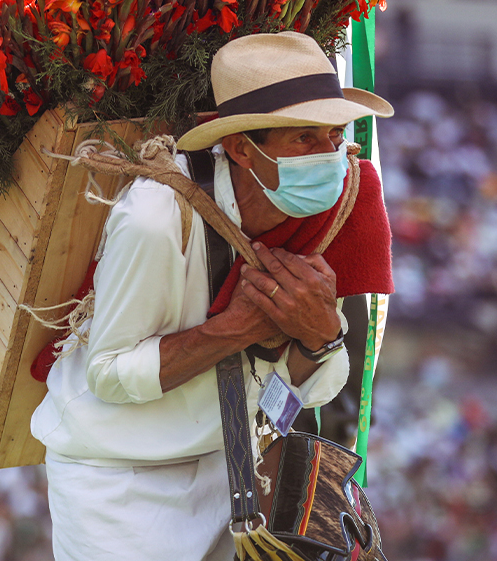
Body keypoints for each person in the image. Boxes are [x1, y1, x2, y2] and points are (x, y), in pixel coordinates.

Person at [30, 31, 395, 560]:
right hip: (117, 486)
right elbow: (107, 374)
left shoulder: (339, 212)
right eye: (305, 139)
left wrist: (321, 336)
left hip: (236, 470)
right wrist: (239, 328)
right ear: (242, 148)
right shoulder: (159, 218)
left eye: (335, 135)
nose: (330, 156)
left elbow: (314, 387)